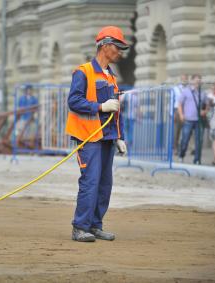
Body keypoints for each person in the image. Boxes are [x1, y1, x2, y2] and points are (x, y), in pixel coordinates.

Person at [66, 26, 128, 242]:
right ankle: (79, 227)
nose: (120, 52)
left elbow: (116, 110)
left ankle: (94, 225)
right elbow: (74, 101)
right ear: (105, 46)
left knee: (104, 185)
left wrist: (120, 137)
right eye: (117, 47)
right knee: (90, 182)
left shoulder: (111, 76)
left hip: (107, 138)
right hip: (88, 138)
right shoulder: (83, 72)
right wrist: (100, 107)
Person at [178, 74, 207, 164]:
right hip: (188, 120)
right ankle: (181, 155)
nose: (198, 82)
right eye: (197, 80)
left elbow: (206, 105)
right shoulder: (186, 91)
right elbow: (179, 103)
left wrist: (204, 111)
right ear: (192, 81)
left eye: (200, 80)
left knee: (199, 141)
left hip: (199, 120)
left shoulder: (203, 93)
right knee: (185, 140)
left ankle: (197, 160)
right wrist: (181, 115)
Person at [172, 74, 189, 154]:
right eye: (183, 78)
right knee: (177, 131)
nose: (184, 80)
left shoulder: (189, 88)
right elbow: (172, 100)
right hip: (177, 110)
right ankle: (175, 148)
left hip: (187, 110)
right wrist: (172, 113)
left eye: (186, 78)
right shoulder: (175, 89)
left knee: (188, 130)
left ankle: (187, 148)